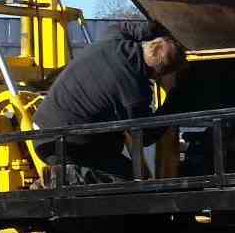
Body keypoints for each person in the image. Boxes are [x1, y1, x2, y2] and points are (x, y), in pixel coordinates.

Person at [33, 22, 186, 185]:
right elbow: (145, 136)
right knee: (129, 181)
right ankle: (66, 177)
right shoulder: (134, 90)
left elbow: (125, 27)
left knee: (115, 142)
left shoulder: (113, 39)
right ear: (158, 73)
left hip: (44, 129)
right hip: (65, 147)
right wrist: (173, 103)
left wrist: (156, 28)